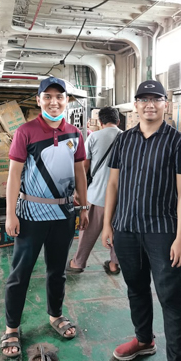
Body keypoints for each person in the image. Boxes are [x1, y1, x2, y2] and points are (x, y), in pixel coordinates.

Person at [102, 80, 181, 361]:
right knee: (136, 288)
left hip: (161, 231)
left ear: (165, 104)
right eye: (143, 99)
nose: (149, 104)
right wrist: (108, 224)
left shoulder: (178, 143)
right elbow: (113, 184)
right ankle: (144, 340)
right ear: (135, 105)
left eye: (156, 99)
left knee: (170, 296)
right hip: (126, 228)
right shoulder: (124, 140)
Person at [1, 77, 89, 358]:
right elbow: (14, 175)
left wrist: (84, 207)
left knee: (57, 271)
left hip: (63, 215)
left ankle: (56, 315)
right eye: (47, 96)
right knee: (20, 274)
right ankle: (11, 327)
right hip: (31, 216)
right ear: (38, 100)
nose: (54, 101)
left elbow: (80, 174)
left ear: (67, 100)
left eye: (59, 97)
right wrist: (10, 214)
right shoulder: (25, 132)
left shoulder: (75, 133)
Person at [67, 107, 121, 275]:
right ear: (118, 121)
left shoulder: (93, 137)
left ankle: (78, 263)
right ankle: (114, 264)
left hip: (97, 195)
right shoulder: (127, 137)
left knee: (88, 231)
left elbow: (84, 166)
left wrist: (78, 190)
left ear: (100, 122)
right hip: (121, 198)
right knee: (117, 233)